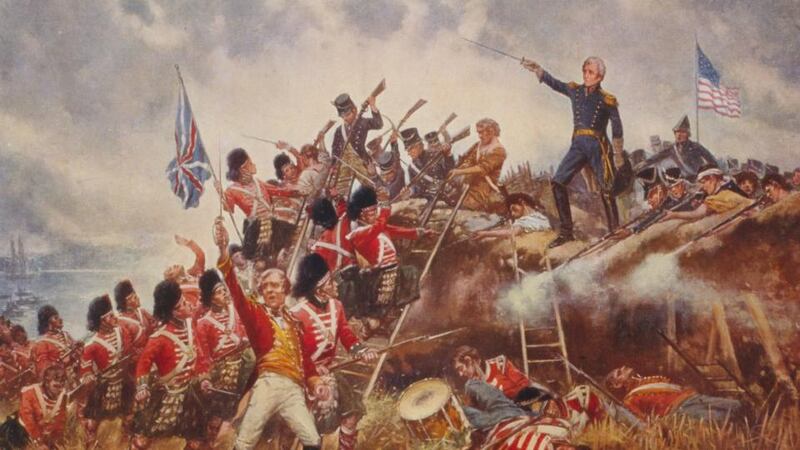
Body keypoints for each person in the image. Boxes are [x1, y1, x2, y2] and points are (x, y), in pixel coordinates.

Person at [213, 217, 328, 450]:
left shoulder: (294, 322)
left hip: (293, 388)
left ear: (285, 290)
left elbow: (305, 360)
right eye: (265, 287)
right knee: (244, 443)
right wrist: (223, 249)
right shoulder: (255, 313)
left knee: (313, 441)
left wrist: (315, 383)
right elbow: (235, 291)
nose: (269, 290)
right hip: (268, 384)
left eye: (275, 286)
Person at [522, 56, 627, 246]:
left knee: (607, 188)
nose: (586, 76)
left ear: (600, 76)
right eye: (585, 71)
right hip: (578, 144)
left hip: (598, 146)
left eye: (591, 72)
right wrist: (538, 69)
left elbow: (617, 127)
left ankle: (615, 229)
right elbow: (555, 84)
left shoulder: (607, 100)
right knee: (557, 182)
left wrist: (618, 154)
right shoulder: (575, 91)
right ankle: (566, 232)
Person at [289, 254, 377, 450]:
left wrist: (360, 350)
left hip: (330, 372)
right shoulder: (296, 315)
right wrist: (312, 373)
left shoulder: (336, 306)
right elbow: (295, 354)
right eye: (330, 283)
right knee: (312, 433)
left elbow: (345, 334)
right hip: (305, 380)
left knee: (352, 415)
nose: (336, 285)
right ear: (319, 289)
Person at [132, 280, 212, 450]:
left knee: (197, 441)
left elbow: (199, 356)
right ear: (172, 313)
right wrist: (142, 387)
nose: (187, 305)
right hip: (169, 396)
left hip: (191, 394)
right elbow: (143, 364)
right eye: (181, 305)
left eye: (184, 300)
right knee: (145, 442)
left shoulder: (191, 326)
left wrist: (204, 378)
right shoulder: (159, 338)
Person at [346, 186, 433, 326]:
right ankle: (377, 321)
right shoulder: (359, 235)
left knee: (412, 272)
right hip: (378, 275)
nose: (375, 215)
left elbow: (400, 231)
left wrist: (421, 233)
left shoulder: (376, 228)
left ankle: (392, 312)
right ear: (361, 216)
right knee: (377, 317)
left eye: (375, 211)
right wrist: (386, 206)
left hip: (392, 269)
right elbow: (380, 225)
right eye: (371, 213)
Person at [216, 147, 302, 264]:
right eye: (250, 163)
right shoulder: (232, 190)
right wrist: (221, 195)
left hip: (274, 224)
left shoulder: (258, 182)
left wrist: (297, 191)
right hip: (255, 229)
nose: (254, 164)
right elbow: (229, 209)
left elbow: (278, 191)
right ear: (243, 168)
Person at [196, 269, 254, 431]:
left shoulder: (234, 311)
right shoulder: (203, 324)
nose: (225, 294)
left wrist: (246, 340)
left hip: (245, 360)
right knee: (217, 416)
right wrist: (205, 379)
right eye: (219, 292)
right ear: (211, 299)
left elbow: (246, 331)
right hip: (222, 369)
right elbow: (203, 356)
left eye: (224, 290)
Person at [79, 295, 136, 447]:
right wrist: (87, 376)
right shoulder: (91, 345)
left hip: (123, 382)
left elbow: (129, 352)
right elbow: (85, 369)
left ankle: (127, 444)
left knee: (130, 416)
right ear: (102, 321)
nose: (114, 317)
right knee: (92, 424)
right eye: (110, 316)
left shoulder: (122, 331)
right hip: (103, 385)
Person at [605, 365, 742, 422]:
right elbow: (642, 421)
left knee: (736, 405)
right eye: (619, 373)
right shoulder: (629, 400)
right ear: (617, 384)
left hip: (691, 397)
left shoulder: (643, 381)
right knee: (724, 417)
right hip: (680, 409)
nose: (623, 368)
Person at [447, 118, 507, 214]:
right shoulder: (478, 145)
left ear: (491, 132)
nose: (479, 136)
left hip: (483, 189)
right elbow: (469, 160)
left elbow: (482, 168)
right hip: (468, 183)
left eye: (481, 133)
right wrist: (459, 170)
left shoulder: (499, 150)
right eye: (478, 133)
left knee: (466, 208)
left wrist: (459, 172)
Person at [330, 93, 383, 193]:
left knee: (374, 187)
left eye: (347, 115)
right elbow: (335, 150)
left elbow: (378, 124)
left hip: (362, 161)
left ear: (354, 110)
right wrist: (333, 167)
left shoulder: (362, 122)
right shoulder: (339, 130)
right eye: (342, 116)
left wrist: (372, 105)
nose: (345, 118)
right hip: (345, 165)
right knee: (340, 191)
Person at [452, 345, 542, 402]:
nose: (460, 374)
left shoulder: (500, 365)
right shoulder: (472, 386)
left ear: (469, 361)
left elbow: (525, 384)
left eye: (461, 368)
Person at [663, 165, 751, 222]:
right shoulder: (729, 186)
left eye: (704, 182)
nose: (703, 187)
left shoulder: (722, 195)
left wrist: (674, 215)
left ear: (712, 178)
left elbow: (696, 214)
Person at [642, 116, 717, 180]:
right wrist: (642, 164)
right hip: (683, 182)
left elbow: (711, 160)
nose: (679, 135)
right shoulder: (672, 149)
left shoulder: (696, 146)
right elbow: (656, 157)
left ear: (688, 134)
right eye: (677, 132)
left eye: (682, 132)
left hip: (698, 181)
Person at [17, 364, 68, 450]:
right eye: (55, 386)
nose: (59, 390)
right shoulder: (30, 393)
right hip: (23, 433)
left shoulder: (62, 396)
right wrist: (38, 441)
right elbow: (27, 419)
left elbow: (60, 420)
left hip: (45, 436)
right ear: (47, 383)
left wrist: (56, 440)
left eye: (61, 386)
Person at [30, 305, 81, 383]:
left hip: (76, 375)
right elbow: (43, 371)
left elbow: (78, 354)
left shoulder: (66, 335)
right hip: (60, 382)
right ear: (48, 323)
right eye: (55, 318)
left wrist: (78, 349)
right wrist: (62, 363)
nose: (60, 319)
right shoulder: (42, 343)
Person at [473, 193, 551, 241]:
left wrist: (486, 233)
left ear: (522, 202)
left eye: (513, 209)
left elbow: (511, 232)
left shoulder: (540, 215)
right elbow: (511, 232)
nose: (513, 214)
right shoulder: (523, 221)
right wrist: (486, 234)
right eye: (511, 212)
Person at [115, 279, 158, 360]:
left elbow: (156, 327)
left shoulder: (143, 312)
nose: (138, 298)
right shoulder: (121, 322)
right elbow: (127, 351)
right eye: (134, 297)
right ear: (127, 301)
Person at [163, 234, 206, 315]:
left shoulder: (193, 272)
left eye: (172, 266)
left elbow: (200, 255)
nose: (174, 266)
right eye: (171, 270)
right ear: (173, 278)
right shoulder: (182, 292)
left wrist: (188, 243)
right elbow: (195, 308)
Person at [375, 132, 406, 200]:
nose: (386, 177)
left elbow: (396, 159)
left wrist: (394, 143)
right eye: (384, 175)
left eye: (389, 174)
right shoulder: (383, 181)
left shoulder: (399, 174)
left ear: (394, 170)